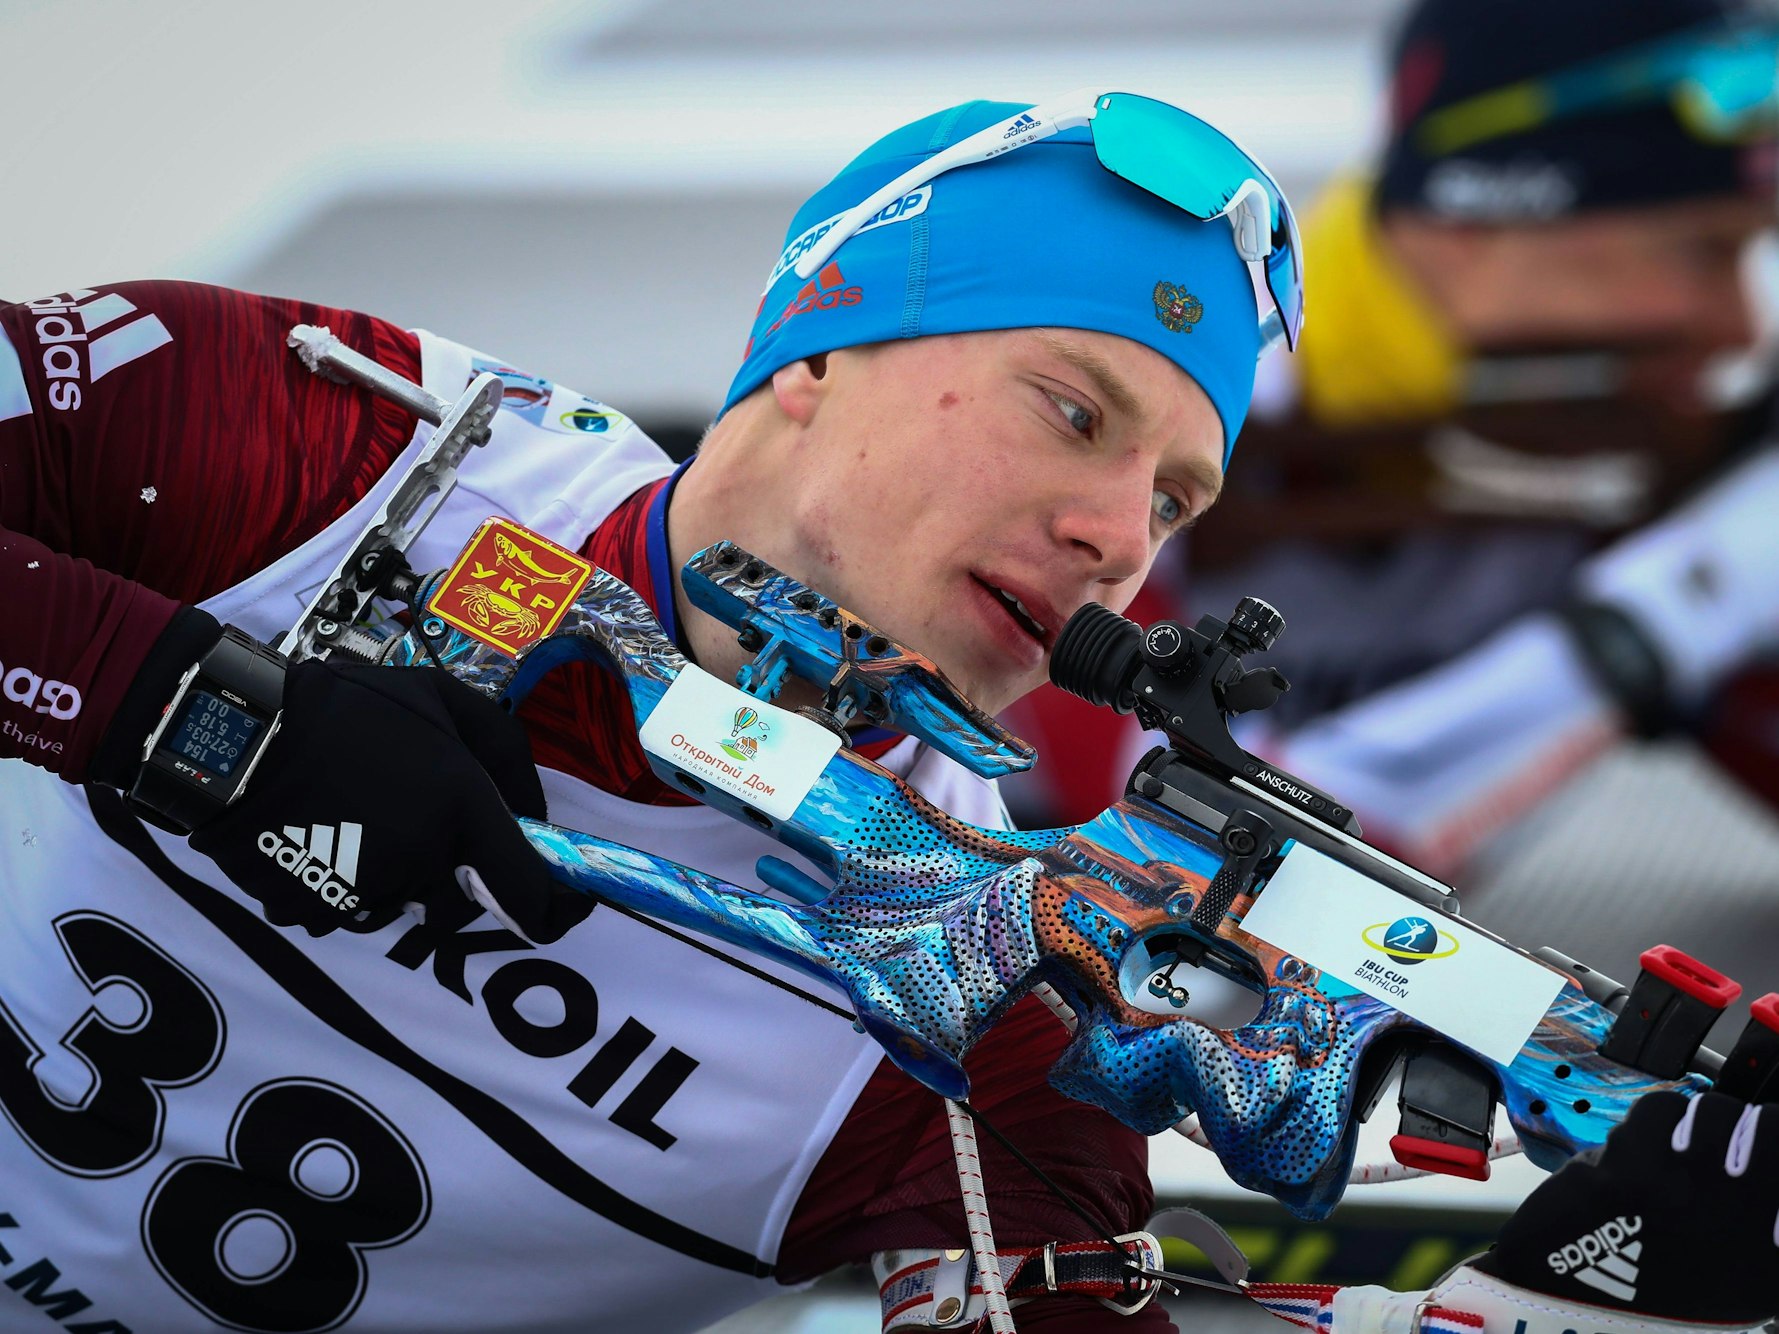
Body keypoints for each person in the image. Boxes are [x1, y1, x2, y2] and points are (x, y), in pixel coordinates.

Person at [0, 91, 1773, 1334]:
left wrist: (1549, 1302)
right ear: (818, 352)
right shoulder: (329, 437)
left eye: (1173, 499)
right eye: (1072, 410)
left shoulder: (988, 986)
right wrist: (187, 713)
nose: (1117, 538)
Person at [1001, 0, 1779, 892]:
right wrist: (1671, 614)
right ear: (1480, 220)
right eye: (1701, 251)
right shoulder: (1148, 393)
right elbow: (1186, 863)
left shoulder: (1636, 433)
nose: (1740, 328)